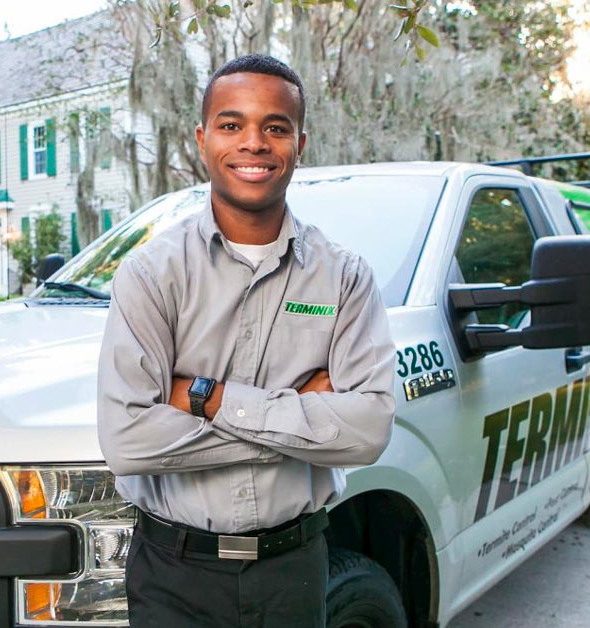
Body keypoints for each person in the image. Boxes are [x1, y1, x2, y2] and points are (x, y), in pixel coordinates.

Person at [96, 53, 397, 627]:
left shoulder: (345, 276)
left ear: (299, 144)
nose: (254, 143)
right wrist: (304, 418)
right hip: (172, 574)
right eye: (232, 125)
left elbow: (368, 430)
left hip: (293, 569)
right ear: (203, 139)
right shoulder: (151, 274)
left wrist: (206, 397)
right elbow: (128, 441)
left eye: (275, 127)